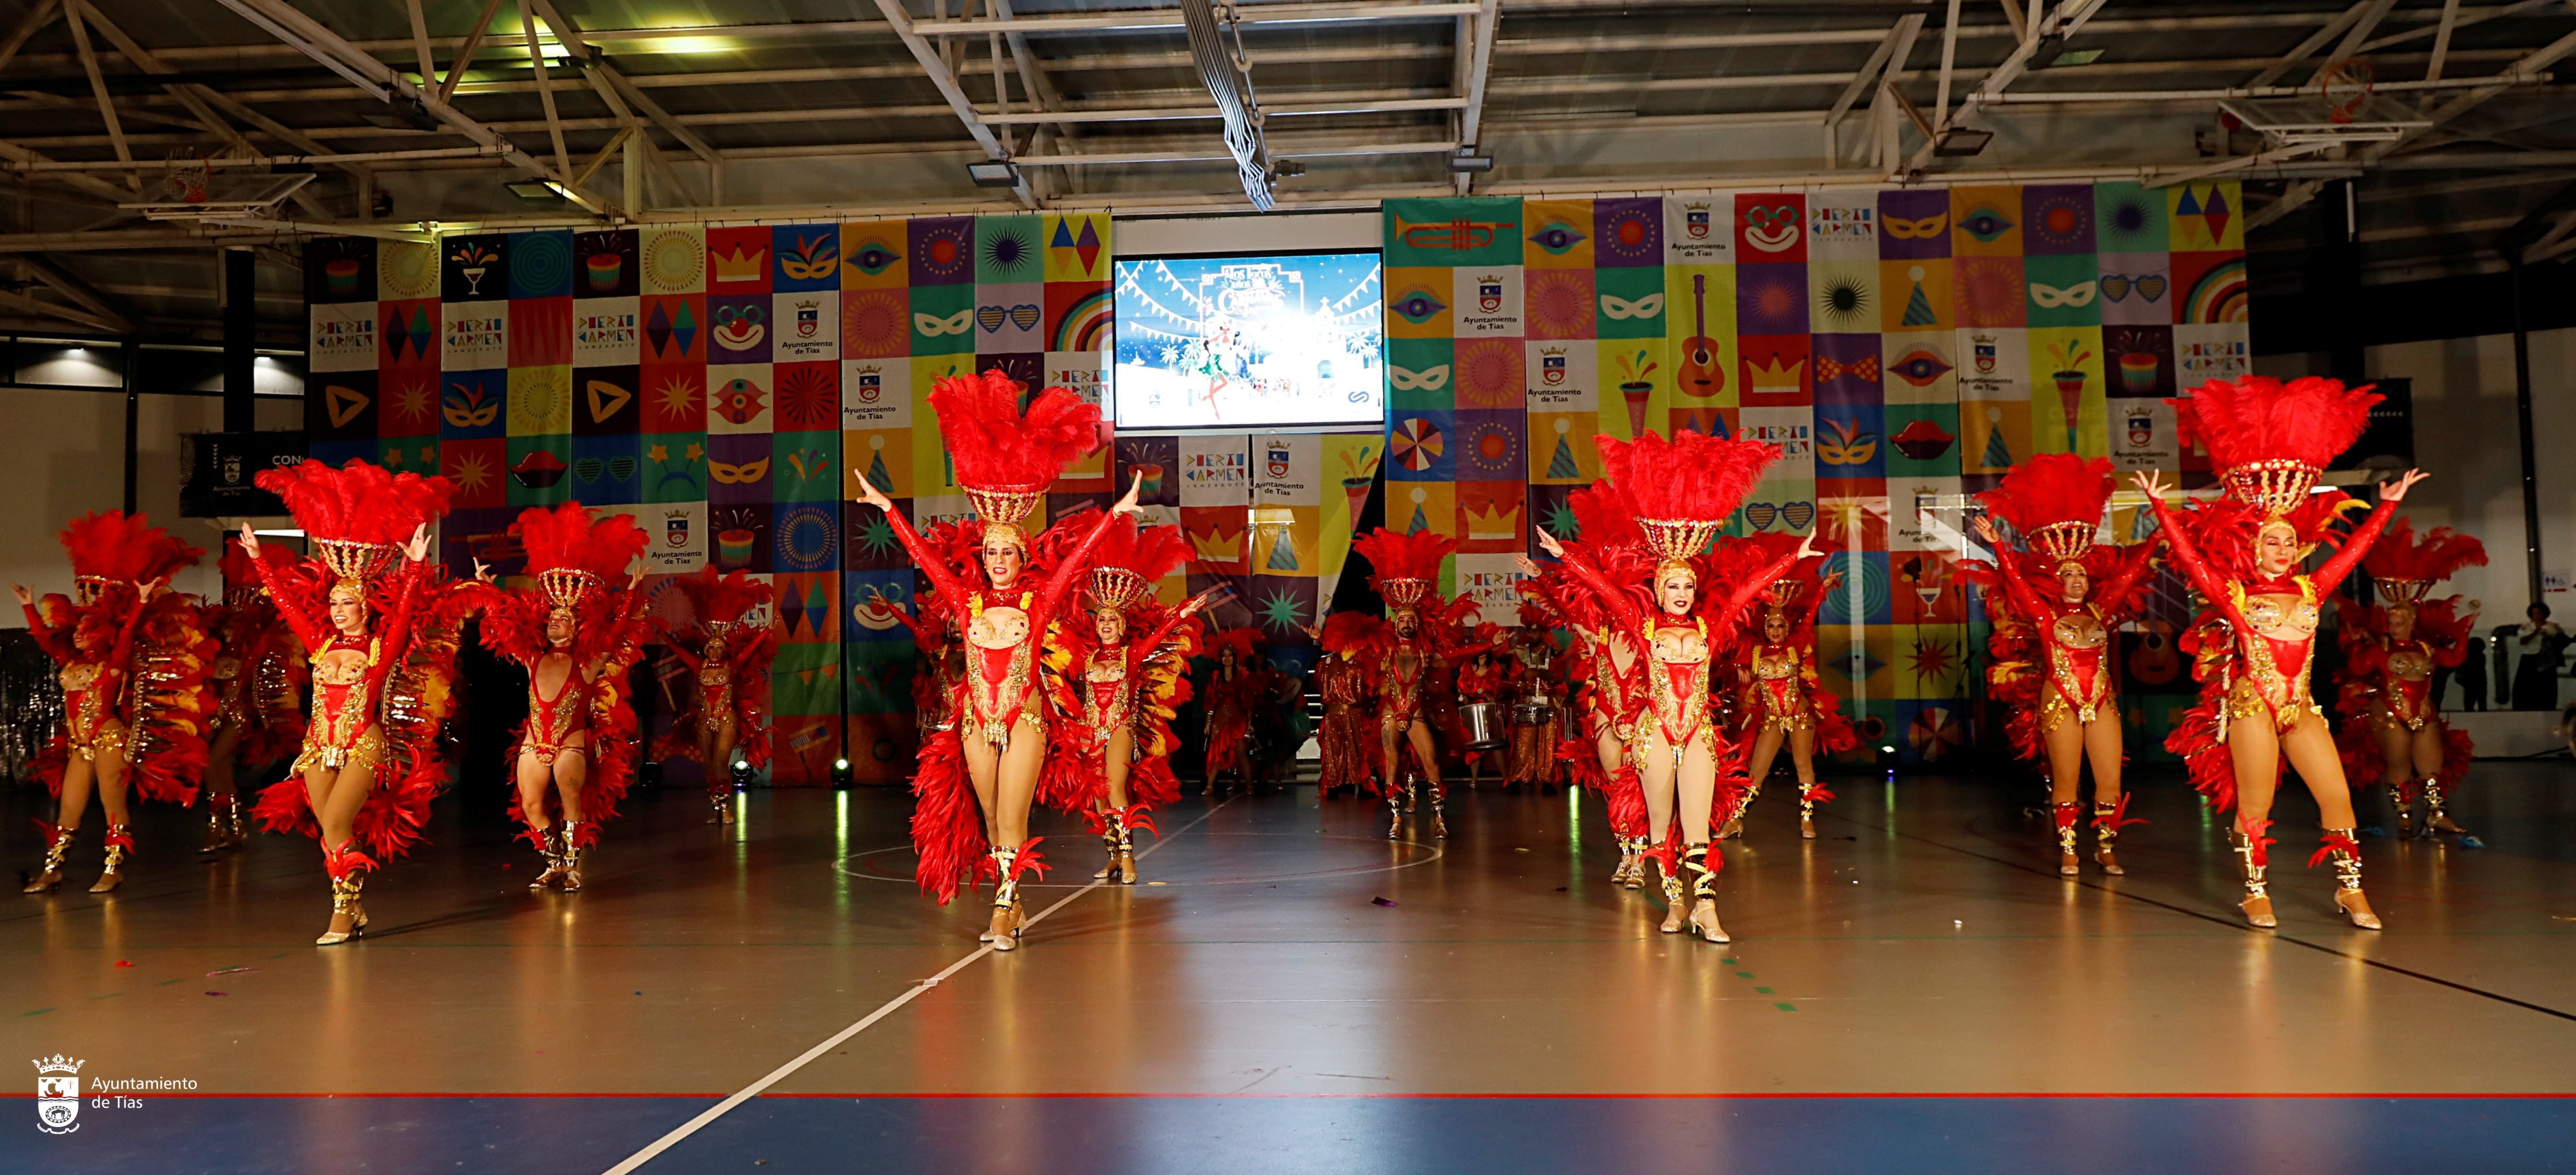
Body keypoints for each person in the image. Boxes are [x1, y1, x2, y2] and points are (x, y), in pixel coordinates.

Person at [856, 368, 1142, 949]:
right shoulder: (965, 600)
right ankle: (1008, 887)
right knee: (991, 821)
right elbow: (925, 560)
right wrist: (888, 508)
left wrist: (1115, 514)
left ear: (1021, 552)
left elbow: (1075, 563)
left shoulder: (1039, 602)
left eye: (1006, 550)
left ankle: (1005, 909)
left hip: (1026, 718)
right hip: (974, 722)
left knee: (1012, 821)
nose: (997, 558)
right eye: (989, 551)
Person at [2141, 375, 2417, 931]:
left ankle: (2351, 890)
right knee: (2257, 803)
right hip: (2252, 706)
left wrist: (2385, 507)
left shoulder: (2313, 588)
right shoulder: (2236, 593)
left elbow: (2357, 550)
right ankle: (2255, 891)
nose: (2283, 547)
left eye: (2290, 540)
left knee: (2336, 796)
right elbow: (2193, 562)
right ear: (2254, 545)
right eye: (2272, 540)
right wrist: (2158, 507)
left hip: (2300, 708)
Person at [1528, 429, 1815, 944]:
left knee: (1699, 829)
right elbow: (1605, 593)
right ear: (1659, 591)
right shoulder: (1643, 629)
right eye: (1672, 586)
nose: (1682, 593)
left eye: (1687, 586)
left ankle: (1708, 911)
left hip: (1697, 735)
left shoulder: (1711, 626)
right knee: (1661, 827)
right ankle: (1675, 904)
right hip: (1656, 734)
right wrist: (1562, 557)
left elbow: (1748, 591)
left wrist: (1792, 558)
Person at [240, 460, 471, 945]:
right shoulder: (321, 645)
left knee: (340, 822)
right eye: (333, 604)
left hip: (362, 746)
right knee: (329, 833)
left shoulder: (376, 650)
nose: (337, 611)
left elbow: (406, 613)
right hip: (316, 749)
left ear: (364, 607)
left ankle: (342, 916)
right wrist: (260, 559)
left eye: (347, 603)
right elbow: (284, 604)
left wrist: (413, 566)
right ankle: (356, 905)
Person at [1967, 454, 2161, 875]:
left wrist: (2159, 528)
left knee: (2110, 778)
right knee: (2068, 778)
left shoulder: (2101, 610)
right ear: (2058, 580)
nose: (2076, 580)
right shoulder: (2044, 615)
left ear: (2090, 580)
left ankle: (2107, 847)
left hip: (2102, 700)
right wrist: (1997, 542)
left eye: (2082, 575)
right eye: (2069, 575)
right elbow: (2017, 581)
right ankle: (2070, 847)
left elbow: (2130, 575)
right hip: (2061, 702)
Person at [16, 512, 217, 893]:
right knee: (68, 809)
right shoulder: (71, 663)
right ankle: (53, 868)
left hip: (109, 738)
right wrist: (28, 606)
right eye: (75, 631)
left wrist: (140, 603)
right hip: (80, 744)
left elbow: (126, 638)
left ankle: (114, 867)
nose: (77, 636)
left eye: (85, 632)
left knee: (112, 803)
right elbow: (45, 641)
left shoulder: (112, 665)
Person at [474, 504, 652, 891]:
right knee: (530, 807)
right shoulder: (532, 659)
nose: (555, 619)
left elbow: (615, 635)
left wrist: (631, 595)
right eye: (552, 616)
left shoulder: (587, 665)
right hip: (533, 742)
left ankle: (573, 868)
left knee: (572, 805)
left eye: (564, 618)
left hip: (570, 743)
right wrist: (487, 588)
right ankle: (554, 861)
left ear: (577, 626)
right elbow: (504, 630)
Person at [1036, 516, 1220, 884]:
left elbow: (1158, 637)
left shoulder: (1131, 657)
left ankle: (1129, 858)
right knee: (1098, 797)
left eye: (1111, 619)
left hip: (1120, 726)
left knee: (1115, 787)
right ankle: (1113, 859)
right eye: (1101, 618)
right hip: (1092, 730)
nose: (1105, 623)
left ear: (1121, 625)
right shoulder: (1087, 656)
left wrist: (1182, 613)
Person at [2332, 518, 2483, 839]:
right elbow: (2359, 670)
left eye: (2400, 620)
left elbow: (2454, 659)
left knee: (2432, 768)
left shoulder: (2427, 648)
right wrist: (2356, 640)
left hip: (2424, 714)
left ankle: (2436, 814)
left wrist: (2466, 633)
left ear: (2412, 620)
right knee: (2398, 766)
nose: (2394, 624)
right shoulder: (2379, 648)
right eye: (2391, 619)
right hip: (2389, 713)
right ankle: (2403, 815)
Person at [1348, 527, 1497, 840]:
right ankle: (1395, 820)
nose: (1406, 623)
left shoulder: (1426, 651)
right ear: (1395, 621)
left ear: (1417, 623)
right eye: (1401, 618)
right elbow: (1352, 645)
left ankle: (1440, 817)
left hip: (1415, 715)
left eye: (1411, 619)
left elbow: (1456, 653)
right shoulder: (1385, 649)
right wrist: (1321, 638)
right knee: (1391, 767)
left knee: (1431, 765)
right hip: (1391, 716)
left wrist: (1487, 645)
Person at [1723, 533, 1859, 841]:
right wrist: (1741, 672)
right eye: (1770, 625)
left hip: (1799, 716)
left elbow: (1809, 619)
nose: (1775, 630)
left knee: (1802, 766)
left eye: (1780, 625)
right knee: (1756, 771)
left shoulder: (1796, 646)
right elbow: (1731, 658)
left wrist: (1821, 590)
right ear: (1764, 627)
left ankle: (1807, 822)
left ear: (1786, 627)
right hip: (1772, 718)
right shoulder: (1756, 651)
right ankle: (1736, 820)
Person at [197, 537, 307, 855]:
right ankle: (230, 825)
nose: (238, 608)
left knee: (213, 762)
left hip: (243, 712)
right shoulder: (219, 631)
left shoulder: (270, 638)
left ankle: (220, 826)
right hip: (217, 708)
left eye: (246, 600)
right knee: (215, 766)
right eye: (235, 600)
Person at [653, 568, 776, 824]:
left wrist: (767, 630)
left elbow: (750, 650)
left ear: (725, 649)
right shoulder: (699, 666)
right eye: (713, 647)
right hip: (702, 719)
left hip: (726, 718)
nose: (717, 650)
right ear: (707, 648)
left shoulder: (733, 666)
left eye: (721, 647)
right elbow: (677, 649)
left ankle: (727, 808)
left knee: (721, 762)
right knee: (709, 767)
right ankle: (717, 809)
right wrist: (662, 633)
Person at [1309, 612, 1384, 799]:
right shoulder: (1324, 664)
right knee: (1334, 751)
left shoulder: (1361, 663)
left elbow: (1372, 687)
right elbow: (1318, 685)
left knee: (1359, 750)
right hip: (1334, 715)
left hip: (1357, 714)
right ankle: (1336, 783)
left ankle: (1362, 783)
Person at [2510, 602, 2566, 710]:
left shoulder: (2552, 627)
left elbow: (2560, 640)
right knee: (2526, 687)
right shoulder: (2526, 627)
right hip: (2530, 658)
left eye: (2539, 613)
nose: (2537, 616)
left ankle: (2547, 707)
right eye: (2534, 614)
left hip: (2547, 659)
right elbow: (2522, 641)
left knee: (2547, 687)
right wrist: (2535, 632)